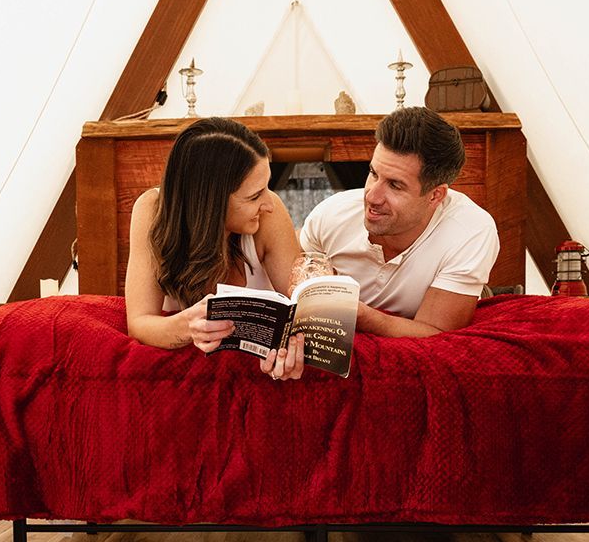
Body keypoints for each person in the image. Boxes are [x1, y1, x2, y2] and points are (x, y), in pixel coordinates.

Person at [125, 117, 306, 380]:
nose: (268, 203)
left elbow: (303, 314)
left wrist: (291, 348)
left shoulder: (270, 214)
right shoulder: (152, 211)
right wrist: (188, 326)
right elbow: (140, 323)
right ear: (212, 202)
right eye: (254, 196)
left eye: (266, 187)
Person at [301, 107, 499, 338]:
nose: (372, 197)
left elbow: (435, 334)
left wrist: (362, 316)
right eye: (374, 174)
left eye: (395, 185)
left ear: (435, 196)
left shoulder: (470, 231)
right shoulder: (331, 214)